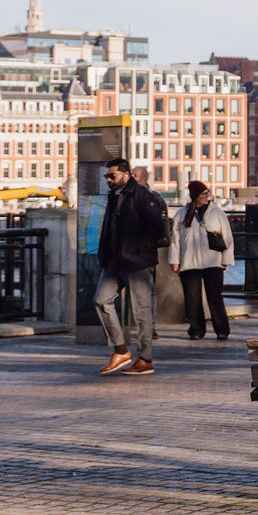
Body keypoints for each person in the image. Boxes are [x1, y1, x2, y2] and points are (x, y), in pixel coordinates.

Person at [95, 157, 168, 376]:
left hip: (137, 262)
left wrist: (137, 250)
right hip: (115, 261)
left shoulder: (143, 196)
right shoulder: (112, 196)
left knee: (141, 312)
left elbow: (157, 231)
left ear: (125, 175)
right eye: (107, 176)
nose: (108, 179)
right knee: (100, 300)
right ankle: (120, 350)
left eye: (112, 175)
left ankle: (145, 359)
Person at [168, 179, 235, 341]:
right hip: (189, 262)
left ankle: (222, 329)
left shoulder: (217, 213)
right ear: (194, 196)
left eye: (207, 193)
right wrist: (175, 261)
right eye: (203, 193)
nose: (207, 196)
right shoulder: (182, 214)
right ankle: (196, 329)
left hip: (213, 261)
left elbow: (227, 237)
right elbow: (176, 240)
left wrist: (226, 260)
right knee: (192, 298)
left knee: (215, 296)